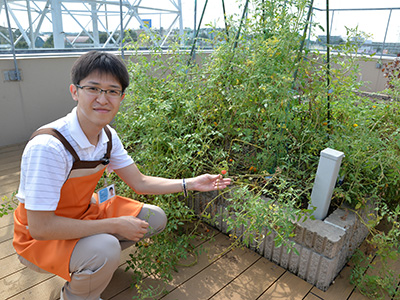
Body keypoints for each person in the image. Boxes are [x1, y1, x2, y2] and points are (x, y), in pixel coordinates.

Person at [13, 50, 231, 300]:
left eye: (112, 91)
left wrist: (191, 183)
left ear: (121, 97)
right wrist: (114, 225)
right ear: (75, 91)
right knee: (105, 247)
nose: (103, 99)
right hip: (37, 239)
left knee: (154, 218)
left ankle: (91, 265)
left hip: (84, 213)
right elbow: (41, 228)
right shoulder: (50, 147)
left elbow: (139, 182)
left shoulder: (107, 136)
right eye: (93, 88)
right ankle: (78, 291)